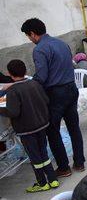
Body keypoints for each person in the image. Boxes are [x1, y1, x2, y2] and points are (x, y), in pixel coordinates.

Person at [22, 18, 85, 178]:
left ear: (33, 34)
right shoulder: (61, 43)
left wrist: (29, 85)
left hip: (56, 93)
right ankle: (79, 163)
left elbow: (42, 76)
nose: (30, 40)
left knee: (52, 130)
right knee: (74, 127)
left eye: (28, 37)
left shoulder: (40, 49)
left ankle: (64, 167)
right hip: (71, 88)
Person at [0, 60, 58, 192]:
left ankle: (42, 183)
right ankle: (53, 179)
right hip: (41, 124)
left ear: (9, 74)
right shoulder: (35, 83)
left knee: (34, 156)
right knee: (43, 152)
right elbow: (46, 100)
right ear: (25, 71)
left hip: (26, 129)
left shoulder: (13, 91)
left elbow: (13, 112)